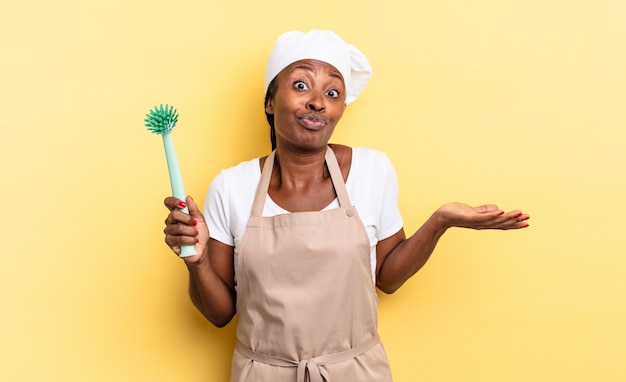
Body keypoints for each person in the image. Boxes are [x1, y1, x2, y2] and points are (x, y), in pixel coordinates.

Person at [162, 30, 530, 382]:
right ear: (270, 101)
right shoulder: (231, 186)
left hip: (356, 372)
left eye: (333, 91)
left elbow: (387, 278)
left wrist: (440, 221)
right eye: (301, 85)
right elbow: (220, 314)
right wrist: (198, 262)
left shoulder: (373, 170)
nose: (318, 101)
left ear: (339, 108)